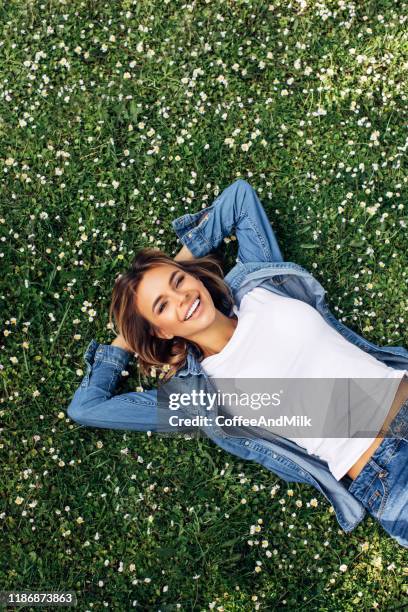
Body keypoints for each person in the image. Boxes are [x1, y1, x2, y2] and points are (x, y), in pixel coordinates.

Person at [67, 179, 408, 547]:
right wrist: (128, 338)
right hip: (387, 471)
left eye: (179, 281)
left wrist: (168, 268)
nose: (183, 298)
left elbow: (239, 198)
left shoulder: (258, 286)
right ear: (160, 331)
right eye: (162, 306)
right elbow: (88, 407)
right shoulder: (199, 397)